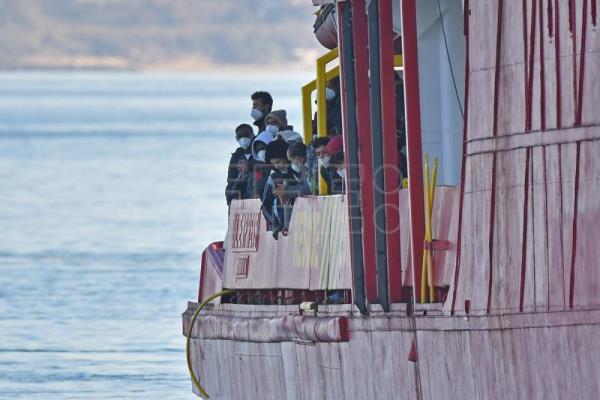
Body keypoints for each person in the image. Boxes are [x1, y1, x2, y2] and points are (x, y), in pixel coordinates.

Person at [225, 124, 254, 206]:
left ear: (252, 135)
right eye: (240, 136)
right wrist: (230, 198)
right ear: (236, 138)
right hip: (239, 202)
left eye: (246, 135)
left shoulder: (257, 153)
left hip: (254, 198)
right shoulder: (236, 157)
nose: (243, 138)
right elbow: (231, 181)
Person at [249, 130, 274, 199]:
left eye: (263, 148)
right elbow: (255, 184)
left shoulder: (278, 164)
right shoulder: (258, 168)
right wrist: (254, 194)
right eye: (258, 150)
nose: (261, 152)